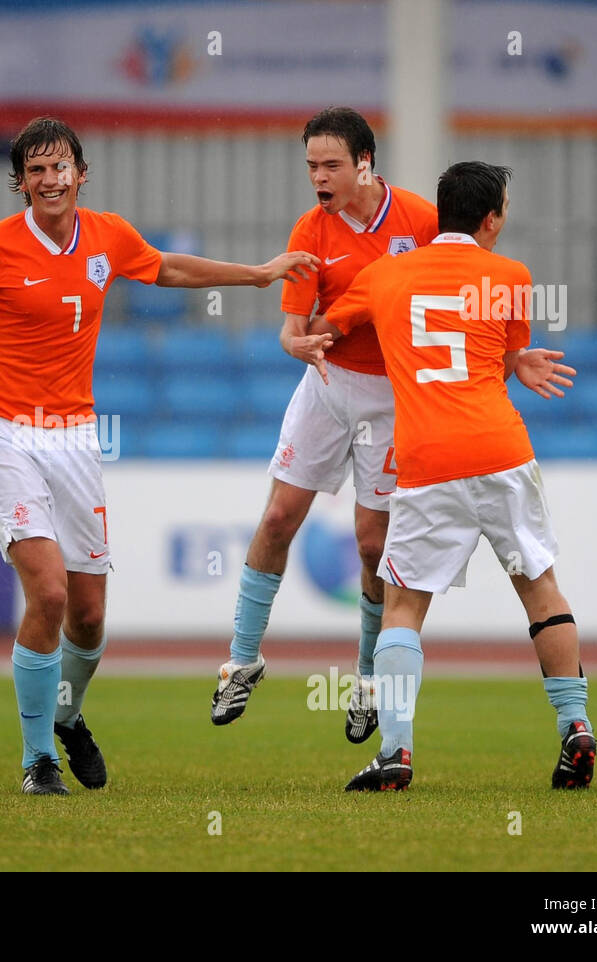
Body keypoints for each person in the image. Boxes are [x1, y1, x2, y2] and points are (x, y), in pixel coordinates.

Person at [0, 116, 318, 795]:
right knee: (46, 592)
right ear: (20, 183)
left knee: (90, 616)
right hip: (4, 434)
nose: (49, 180)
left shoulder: (107, 235)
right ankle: (38, 759)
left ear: (81, 173)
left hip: (75, 437)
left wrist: (254, 275)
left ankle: (67, 718)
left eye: (60, 167)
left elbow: (166, 266)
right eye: (35, 171)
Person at [309, 161, 596, 791]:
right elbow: (499, 349)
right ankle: (575, 727)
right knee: (541, 589)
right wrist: (519, 361)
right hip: (501, 450)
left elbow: (325, 327)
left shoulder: (385, 275)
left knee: (405, 605)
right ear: (492, 217)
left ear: (442, 214)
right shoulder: (512, 277)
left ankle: (396, 752)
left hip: (426, 460)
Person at [210, 107, 438, 740]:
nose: (318, 176)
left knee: (372, 545)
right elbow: (291, 329)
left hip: (391, 398)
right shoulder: (311, 229)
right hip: (328, 385)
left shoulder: (420, 220)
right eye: (311, 165)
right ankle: (242, 660)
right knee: (279, 517)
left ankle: (367, 679)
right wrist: (298, 344)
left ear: (366, 162)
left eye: (330, 164)